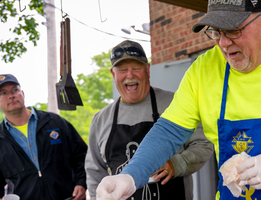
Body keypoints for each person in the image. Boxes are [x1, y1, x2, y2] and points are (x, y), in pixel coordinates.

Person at [96, 0, 261, 199]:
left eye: (233, 30)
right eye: (215, 31)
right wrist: (132, 175)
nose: (223, 43)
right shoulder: (203, 70)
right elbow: (168, 131)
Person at [85, 40, 214, 200]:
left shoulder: (175, 103)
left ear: (148, 70)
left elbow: (204, 144)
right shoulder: (101, 120)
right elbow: (94, 171)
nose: (130, 75)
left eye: (136, 68)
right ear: (113, 74)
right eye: (123, 70)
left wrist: (178, 164)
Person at [0, 74, 88, 200]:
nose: (11, 96)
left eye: (15, 90)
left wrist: (81, 182)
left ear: (22, 93)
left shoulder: (55, 122)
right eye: (3, 93)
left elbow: (82, 155)